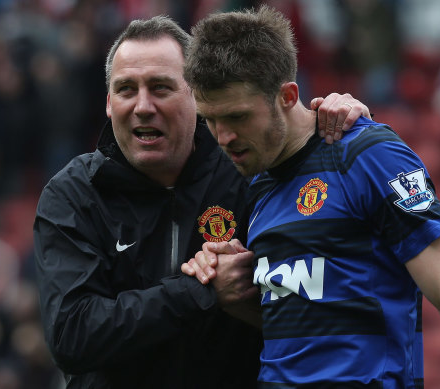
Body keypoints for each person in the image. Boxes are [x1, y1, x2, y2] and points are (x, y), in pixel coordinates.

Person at [32, 13, 371, 389]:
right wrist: (200, 291)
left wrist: (337, 118)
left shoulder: (250, 170)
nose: (143, 106)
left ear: (197, 94)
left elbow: (316, 307)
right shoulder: (74, 194)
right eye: (127, 89)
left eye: (160, 87)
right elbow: (72, 336)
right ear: (109, 103)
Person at [181, 6, 440, 388]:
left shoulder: (368, 155)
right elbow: (305, 322)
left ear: (287, 95)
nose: (223, 136)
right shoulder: (258, 183)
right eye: (211, 120)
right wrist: (234, 295)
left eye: (237, 117)